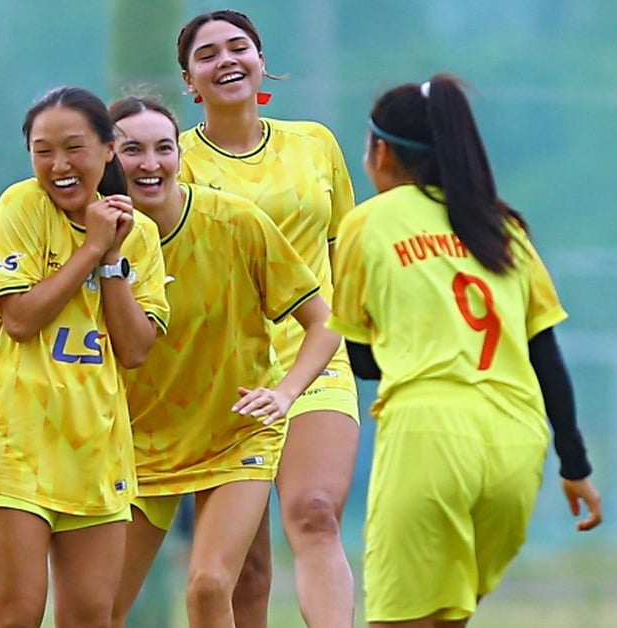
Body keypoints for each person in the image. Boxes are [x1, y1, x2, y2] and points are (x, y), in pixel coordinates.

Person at [330, 73, 604, 627]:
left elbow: (360, 359)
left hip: (429, 434)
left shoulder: (369, 222)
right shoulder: (500, 227)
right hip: (517, 443)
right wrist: (574, 465)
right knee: (447, 620)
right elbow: (545, 354)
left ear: (381, 152)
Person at [108, 96, 342, 628]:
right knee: (96, 609)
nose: (150, 164)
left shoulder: (235, 221)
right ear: (106, 159)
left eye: (163, 148)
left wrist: (284, 395)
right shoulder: (91, 240)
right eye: (132, 150)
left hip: (236, 437)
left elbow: (324, 322)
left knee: (212, 586)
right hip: (136, 445)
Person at [175, 10, 360, 627]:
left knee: (314, 511)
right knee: (244, 570)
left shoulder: (315, 144)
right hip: (224, 372)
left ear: (261, 62)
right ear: (189, 82)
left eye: (239, 47)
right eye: (208, 55)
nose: (226, 60)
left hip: (316, 352)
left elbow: (343, 249)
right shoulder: (173, 162)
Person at [0, 86, 170, 628]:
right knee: (17, 613)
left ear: (108, 150)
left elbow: (133, 350)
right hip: (15, 441)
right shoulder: (21, 206)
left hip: (96, 450)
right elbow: (20, 318)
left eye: (73, 147)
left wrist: (111, 259)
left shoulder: (140, 235)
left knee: (90, 617)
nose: (58, 165)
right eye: (42, 150)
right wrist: (89, 247)